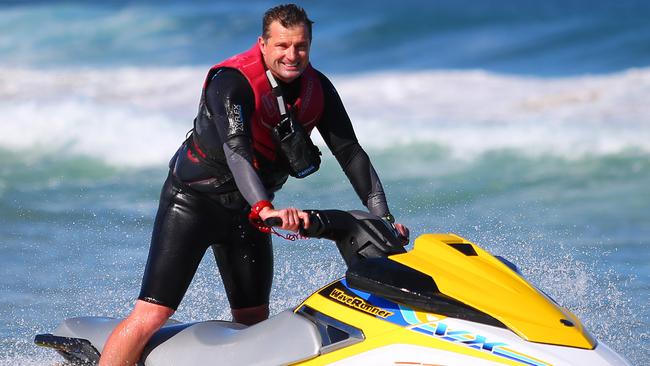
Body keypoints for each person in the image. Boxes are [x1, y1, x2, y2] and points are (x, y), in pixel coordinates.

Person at [98, 4, 408, 365]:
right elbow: (237, 152)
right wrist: (264, 208)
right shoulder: (231, 82)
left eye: (301, 46)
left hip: (248, 215)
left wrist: (382, 219)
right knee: (151, 315)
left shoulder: (318, 89)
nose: (292, 55)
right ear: (262, 44)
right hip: (193, 204)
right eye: (282, 46)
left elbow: (351, 154)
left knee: (252, 324)